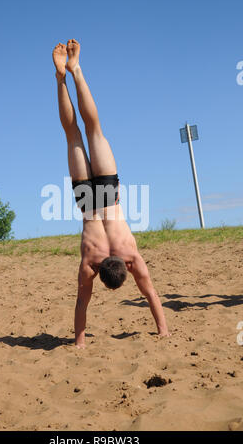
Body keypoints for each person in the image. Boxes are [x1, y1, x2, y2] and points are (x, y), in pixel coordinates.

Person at [52, 39, 170, 348]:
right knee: (74, 134)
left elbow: (152, 295)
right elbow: (82, 305)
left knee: (94, 128)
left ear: (123, 269)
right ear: (100, 272)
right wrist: (79, 341)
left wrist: (164, 329)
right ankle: (62, 76)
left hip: (107, 195)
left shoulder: (131, 256)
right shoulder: (89, 264)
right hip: (87, 202)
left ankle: (76, 70)